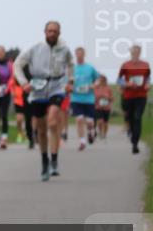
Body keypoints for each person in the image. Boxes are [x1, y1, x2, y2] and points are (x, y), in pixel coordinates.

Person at [14, 21, 74, 181]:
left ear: (59, 33)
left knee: (53, 121)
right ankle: (44, 160)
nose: (52, 33)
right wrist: (24, 83)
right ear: (45, 32)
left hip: (56, 86)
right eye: (49, 31)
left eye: (55, 31)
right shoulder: (35, 48)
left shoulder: (64, 49)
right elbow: (17, 64)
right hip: (38, 88)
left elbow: (71, 64)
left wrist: (70, 81)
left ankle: (54, 158)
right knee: (41, 129)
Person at [118, 44, 151, 154]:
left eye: (137, 51)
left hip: (141, 95)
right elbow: (119, 79)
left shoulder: (145, 64)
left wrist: (147, 84)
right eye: (133, 51)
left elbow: (148, 78)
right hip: (129, 96)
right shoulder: (125, 65)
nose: (135, 53)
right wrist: (126, 84)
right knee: (131, 118)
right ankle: (131, 133)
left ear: (140, 52)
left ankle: (135, 144)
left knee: (137, 117)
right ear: (131, 53)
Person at [70, 47, 99, 151]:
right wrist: (69, 87)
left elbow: (98, 79)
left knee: (90, 122)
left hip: (88, 98)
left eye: (81, 54)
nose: (79, 56)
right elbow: (67, 82)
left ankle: (91, 132)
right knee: (79, 119)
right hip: (76, 98)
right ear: (75, 55)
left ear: (84, 55)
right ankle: (82, 141)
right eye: (77, 54)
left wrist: (94, 85)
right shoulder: (72, 69)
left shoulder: (90, 68)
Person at [11, 73, 32, 147]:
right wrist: (13, 92)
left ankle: (27, 134)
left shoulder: (28, 73)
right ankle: (20, 133)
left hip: (26, 99)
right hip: (18, 100)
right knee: (19, 119)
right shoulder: (16, 74)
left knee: (27, 119)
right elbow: (11, 84)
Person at [93, 74, 114, 141]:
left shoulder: (108, 88)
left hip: (106, 108)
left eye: (102, 80)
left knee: (105, 122)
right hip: (98, 107)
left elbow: (112, 98)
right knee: (100, 121)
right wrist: (97, 97)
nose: (101, 81)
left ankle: (105, 134)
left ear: (105, 81)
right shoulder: (96, 88)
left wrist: (107, 97)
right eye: (100, 80)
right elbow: (93, 97)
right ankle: (100, 132)